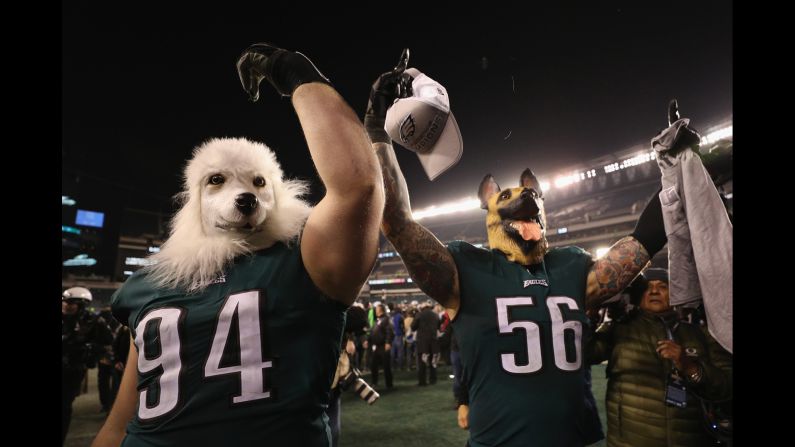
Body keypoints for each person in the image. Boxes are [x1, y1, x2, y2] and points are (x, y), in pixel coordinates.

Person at [365, 49, 680, 446]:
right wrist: (376, 130)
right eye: (514, 196)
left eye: (532, 196)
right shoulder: (465, 267)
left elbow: (642, 243)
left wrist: (678, 172)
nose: (527, 200)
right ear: (489, 208)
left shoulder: (571, 265)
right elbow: (396, 221)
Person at [92, 43, 384, 447]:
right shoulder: (147, 285)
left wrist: (295, 73)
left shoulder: (306, 262)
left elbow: (358, 186)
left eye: (259, 183)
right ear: (191, 198)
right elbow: (121, 421)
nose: (243, 193)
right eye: (217, 180)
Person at [587, 268, 732, 446]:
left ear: (676, 294)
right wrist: (590, 316)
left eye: (662, 286)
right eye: (647, 288)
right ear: (639, 297)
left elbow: (727, 388)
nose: (654, 291)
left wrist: (690, 367)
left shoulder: (702, 334)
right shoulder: (619, 329)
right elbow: (586, 354)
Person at [62, 287, 113, 446]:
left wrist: (89, 350)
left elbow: (107, 342)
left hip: (72, 370)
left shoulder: (94, 321)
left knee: (63, 405)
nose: (66, 305)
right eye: (64, 301)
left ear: (82, 305)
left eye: (71, 302)